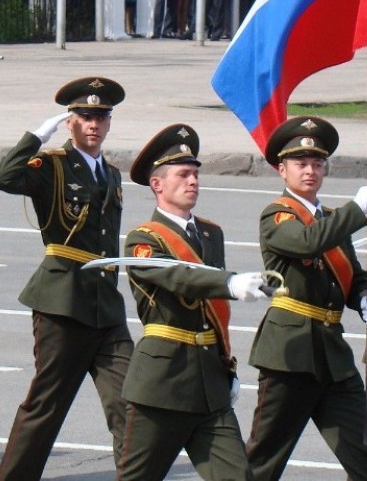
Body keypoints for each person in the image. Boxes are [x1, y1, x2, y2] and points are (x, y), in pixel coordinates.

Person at [0, 77, 133, 480]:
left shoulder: (112, 174)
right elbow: (4, 178)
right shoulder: (51, 165)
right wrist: (35, 136)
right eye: (85, 116)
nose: (94, 124)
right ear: (70, 121)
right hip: (62, 301)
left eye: (101, 117)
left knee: (130, 402)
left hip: (106, 305)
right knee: (46, 405)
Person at [243, 116, 367, 481]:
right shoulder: (277, 215)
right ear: (282, 170)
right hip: (290, 353)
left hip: (332, 357)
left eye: (317, 164)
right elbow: (308, 242)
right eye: (300, 164)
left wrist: (365, 300)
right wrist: (357, 210)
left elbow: (353, 275)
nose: (309, 171)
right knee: (264, 460)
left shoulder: (331, 218)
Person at [117, 123, 269, 481]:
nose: (193, 181)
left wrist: (225, 366)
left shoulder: (210, 233)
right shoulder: (142, 239)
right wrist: (229, 283)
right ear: (158, 184)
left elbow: (211, 310)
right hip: (162, 384)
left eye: (195, 174)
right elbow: (178, 277)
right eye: (183, 174)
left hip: (209, 384)